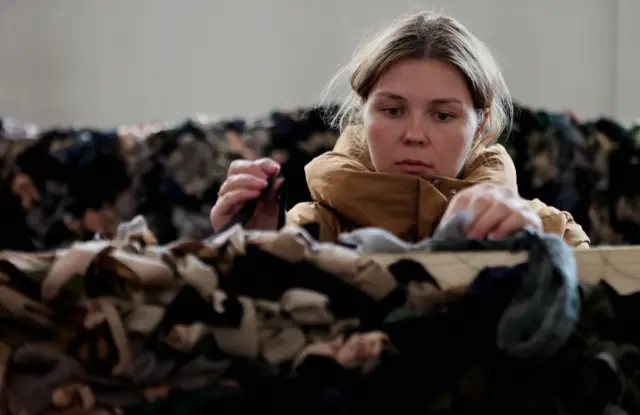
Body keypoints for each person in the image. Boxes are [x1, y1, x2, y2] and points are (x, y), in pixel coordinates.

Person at [210, 11, 590, 248]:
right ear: (364, 115)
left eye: (442, 116)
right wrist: (250, 246)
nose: (414, 134)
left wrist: (534, 252)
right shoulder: (306, 233)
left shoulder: (551, 232)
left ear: (480, 126)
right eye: (392, 111)